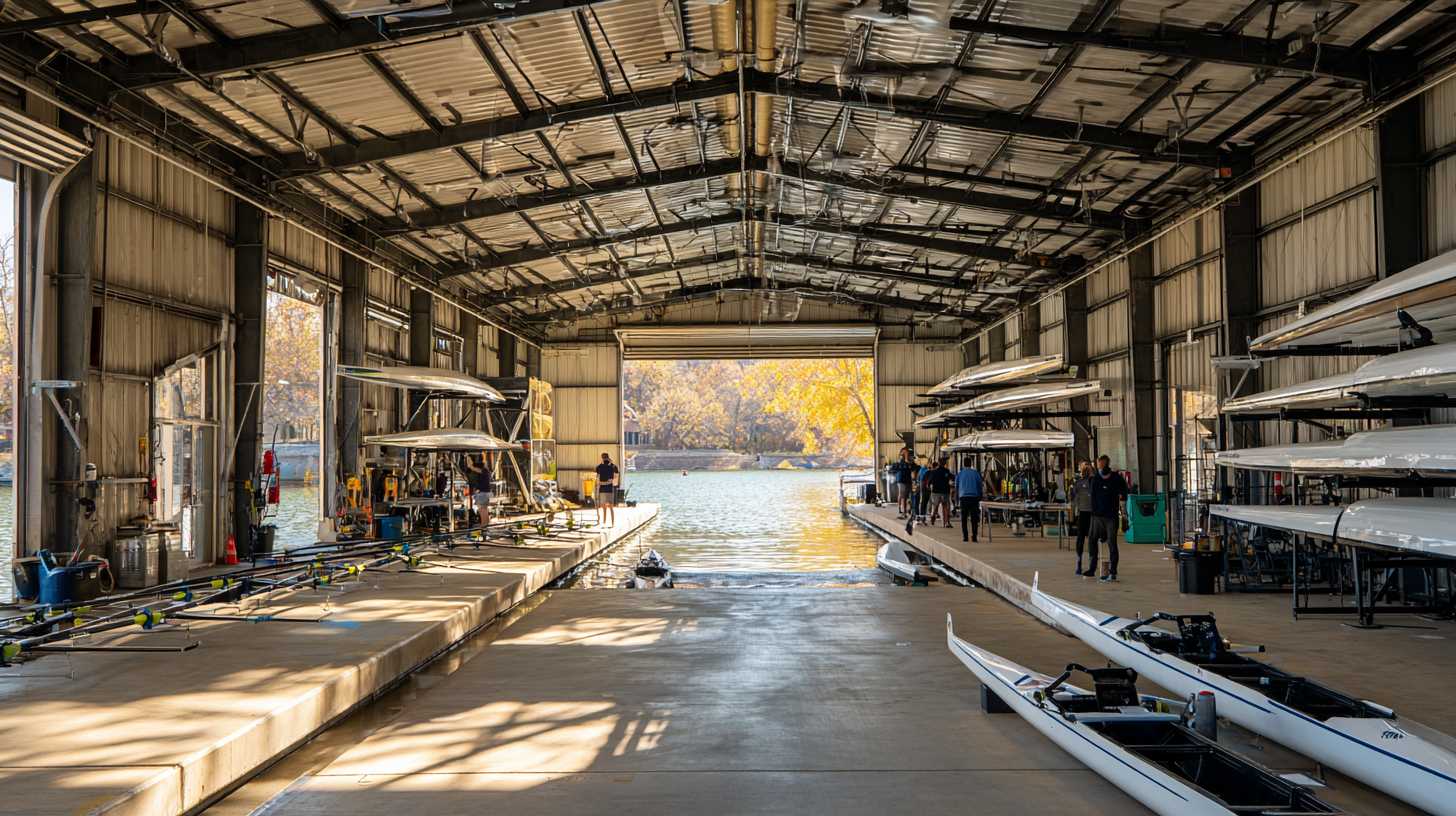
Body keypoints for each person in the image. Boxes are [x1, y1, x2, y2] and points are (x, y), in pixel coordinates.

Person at [1087, 454, 1129, 582]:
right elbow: (1092, 497)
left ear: (1106, 464)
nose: (1100, 465)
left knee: (1112, 543)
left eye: (1101, 463)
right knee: (1092, 540)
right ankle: (1092, 568)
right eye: (1099, 463)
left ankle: (1113, 572)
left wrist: (1124, 513)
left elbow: (1125, 493)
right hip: (1097, 516)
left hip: (1111, 516)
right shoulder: (1095, 479)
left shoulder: (1116, 478)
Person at [1068, 461, 1094, 575]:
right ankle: (1081, 562)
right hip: (1085, 513)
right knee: (1083, 539)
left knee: (1088, 539)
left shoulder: (1093, 483)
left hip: (1089, 514)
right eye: (1085, 470)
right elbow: (1073, 498)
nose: (1086, 472)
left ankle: (1088, 563)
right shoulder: (1079, 483)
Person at [463, 453, 494, 530]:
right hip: (485, 493)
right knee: (484, 510)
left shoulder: (483, 470)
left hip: (482, 493)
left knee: (482, 511)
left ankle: (483, 527)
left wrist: (467, 458)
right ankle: (485, 527)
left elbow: (472, 467)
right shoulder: (485, 471)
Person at [956, 456, 984, 542]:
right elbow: (980, 485)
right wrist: (980, 495)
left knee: (964, 518)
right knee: (974, 518)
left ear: (964, 464)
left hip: (963, 498)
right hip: (974, 498)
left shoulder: (960, 474)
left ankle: (965, 536)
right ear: (971, 463)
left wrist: (957, 498)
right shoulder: (975, 473)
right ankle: (974, 536)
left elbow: (956, 486)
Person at [595, 452, 620, 526]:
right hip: (609, 488)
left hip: (602, 489)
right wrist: (611, 463)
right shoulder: (613, 466)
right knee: (611, 507)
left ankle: (604, 522)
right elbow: (616, 473)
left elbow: (597, 474)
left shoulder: (599, 467)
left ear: (602, 458)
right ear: (608, 458)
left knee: (604, 507)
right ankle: (612, 523)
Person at [927, 457, 953, 527]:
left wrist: (929, 487)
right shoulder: (946, 471)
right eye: (945, 461)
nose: (945, 462)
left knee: (936, 506)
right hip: (945, 491)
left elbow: (929, 482)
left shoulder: (934, 471)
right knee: (945, 507)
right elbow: (952, 477)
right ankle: (946, 522)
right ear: (943, 463)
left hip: (936, 491)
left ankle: (933, 517)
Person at [895, 450, 915, 518]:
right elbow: (896, 468)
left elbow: (913, 468)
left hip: (908, 481)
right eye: (905, 453)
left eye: (907, 453)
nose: (907, 454)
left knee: (910, 496)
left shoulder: (909, 461)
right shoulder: (900, 461)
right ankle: (902, 510)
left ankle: (909, 510)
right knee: (902, 496)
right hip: (901, 481)